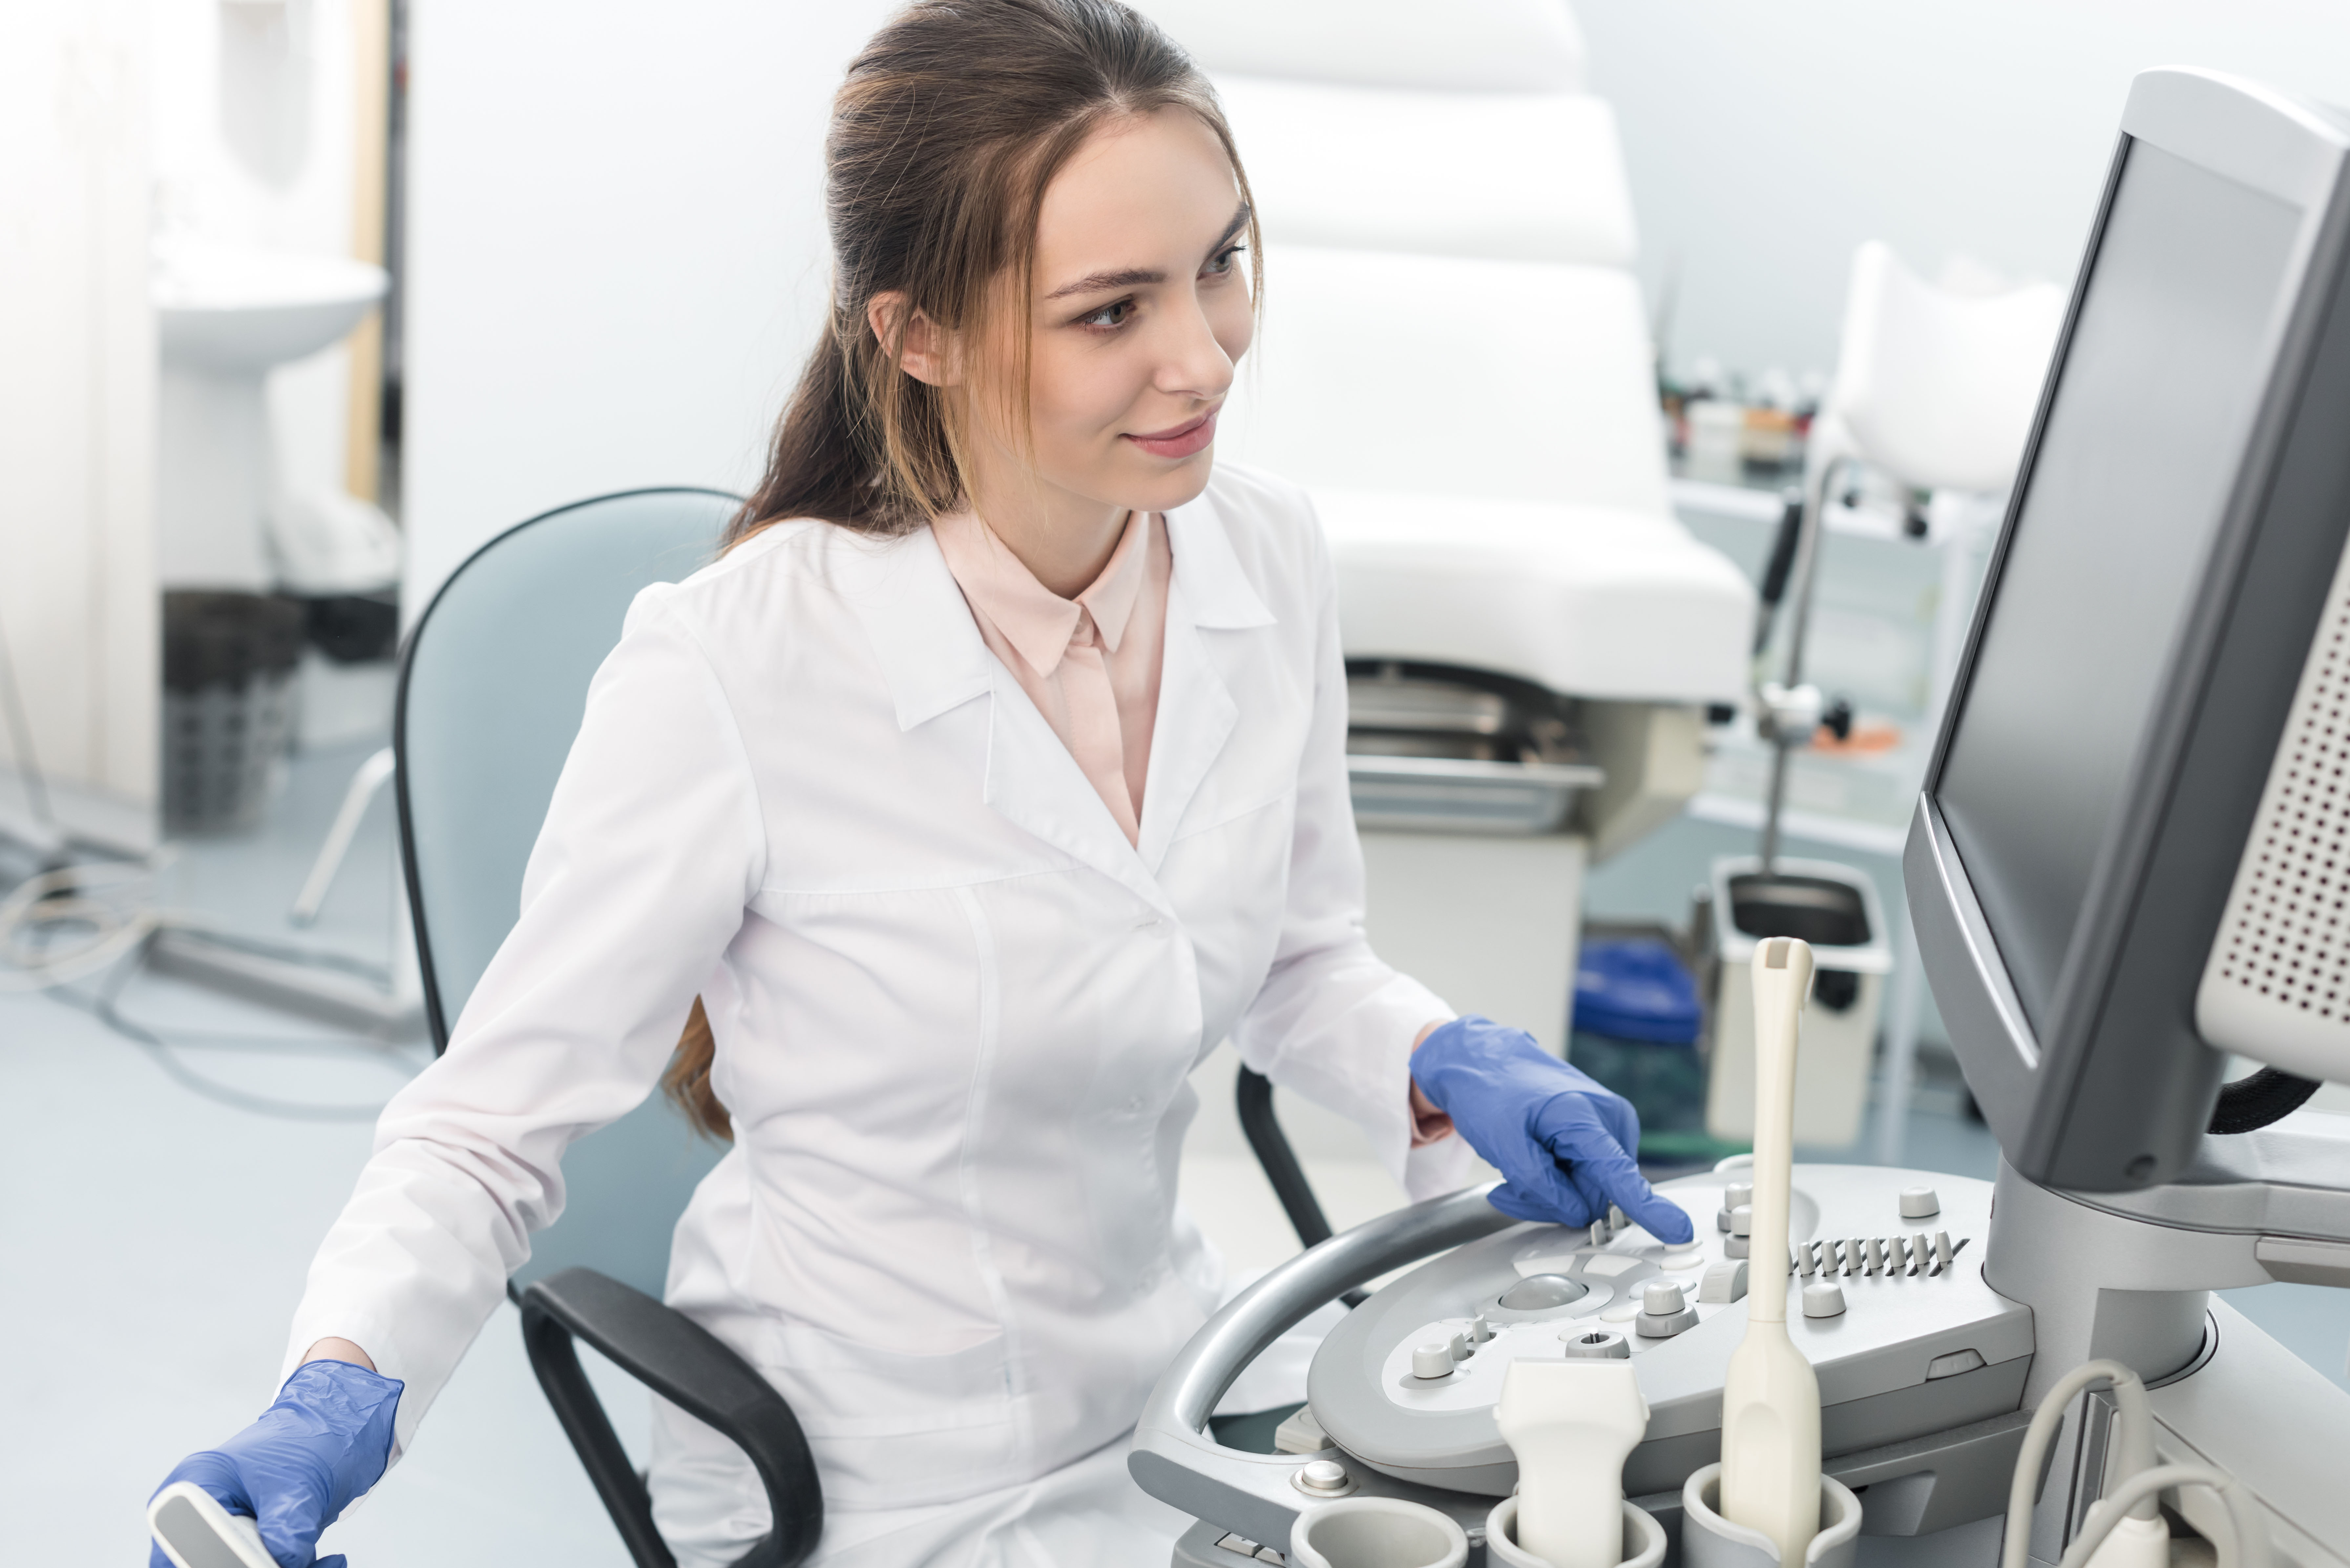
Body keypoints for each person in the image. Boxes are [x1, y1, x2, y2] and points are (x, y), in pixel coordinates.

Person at [147, 3, 1696, 1564]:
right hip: (872, 1476)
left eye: (1221, 264)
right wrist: (335, 1386)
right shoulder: (741, 663)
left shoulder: (1265, 558)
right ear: (918, 335)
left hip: (1182, 1371)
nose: (1205, 354)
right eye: (1112, 311)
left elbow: (1294, 958)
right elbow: (488, 1128)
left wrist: (1441, 1054)